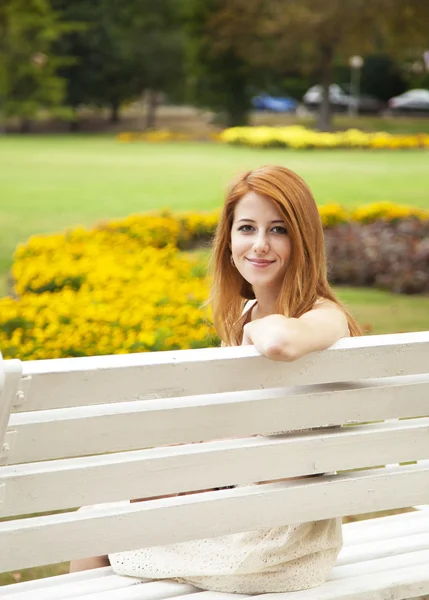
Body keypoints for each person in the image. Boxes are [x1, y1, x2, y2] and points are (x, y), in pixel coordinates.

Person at [70, 164, 361, 592]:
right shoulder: (248, 315)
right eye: (247, 228)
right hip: (256, 516)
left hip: (276, 543)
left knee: (92, 526)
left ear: (304, 240)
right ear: (228, 241)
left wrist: (251, 332)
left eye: (278, 230)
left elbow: (280, 343)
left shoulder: (324, 316)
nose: (260, 244)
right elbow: (248, 438)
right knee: (103, 509)